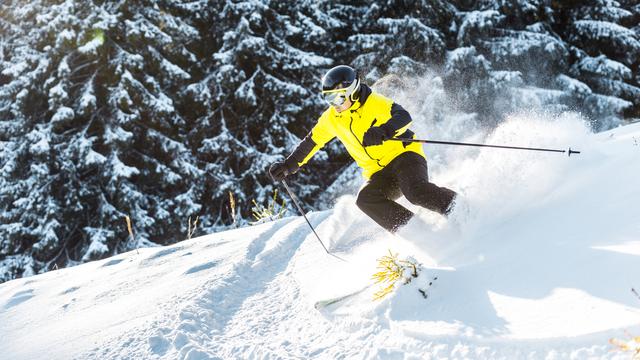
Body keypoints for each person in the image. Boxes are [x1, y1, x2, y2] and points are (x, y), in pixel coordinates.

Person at [269, 65, 457, 233]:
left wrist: (383, 130)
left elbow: (403, 116)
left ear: (352, 91)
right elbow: (311, 142)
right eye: (329, 99)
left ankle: (457, 207)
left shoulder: (374, 102)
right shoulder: (332, 118)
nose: (335, 104)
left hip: (404, 156)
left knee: (414, 192)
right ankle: (418, 233)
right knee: (366, 199)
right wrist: (288, 166)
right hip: (378, 172)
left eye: (338, 97)